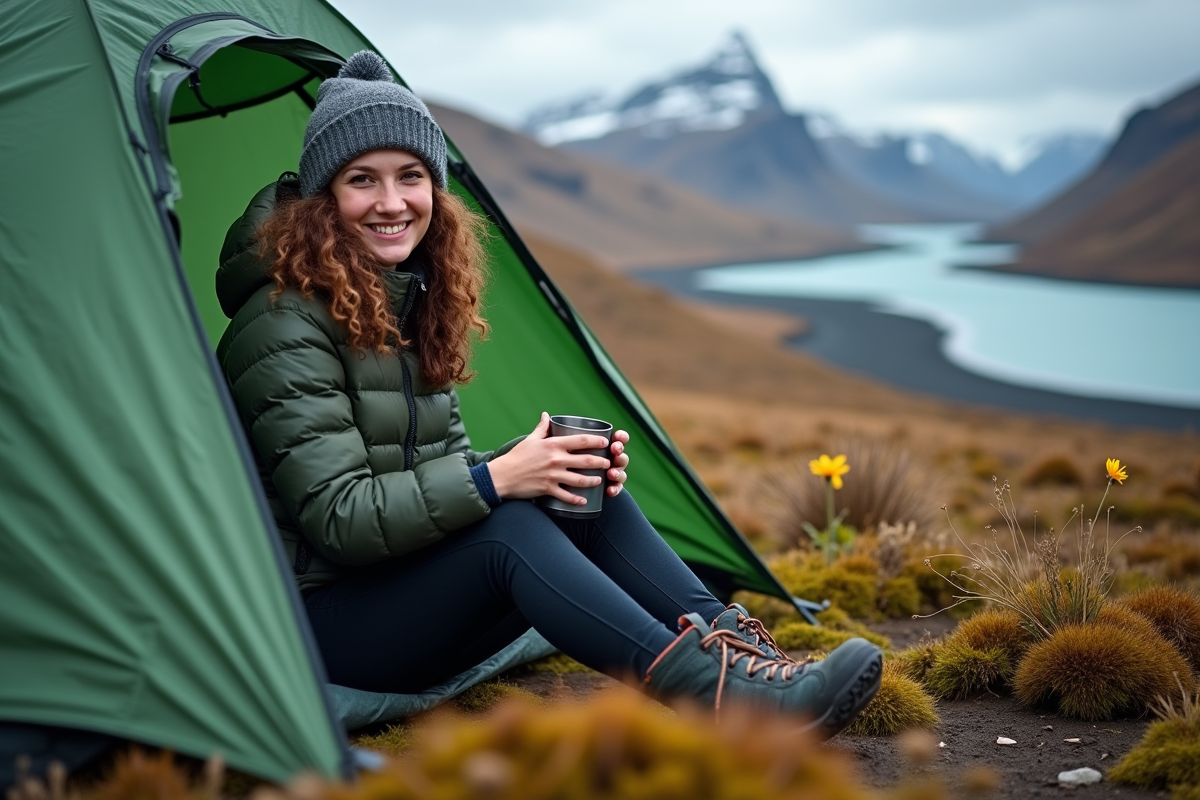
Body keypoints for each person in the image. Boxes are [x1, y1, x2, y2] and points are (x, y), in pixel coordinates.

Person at [215, 51, 881, 736]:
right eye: (363, 180)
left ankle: (744, 660)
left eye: (410, 177)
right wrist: (499, 477)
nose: (392, 203)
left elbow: (431, 484)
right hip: (321, 628)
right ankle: (721, 705)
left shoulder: (406, 301)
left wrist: (536, 467)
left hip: (396, 590)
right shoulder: (281, 324)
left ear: (435, 192)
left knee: (572, 485)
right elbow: (344, 519)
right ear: (324, 198)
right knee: (511, 525)